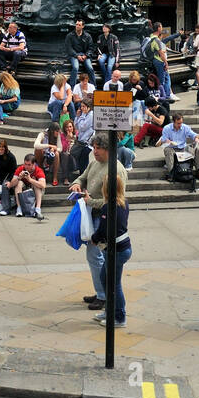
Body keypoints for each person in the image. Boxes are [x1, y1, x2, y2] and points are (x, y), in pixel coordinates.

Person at [68, 135, 128, 313]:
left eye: (98, 148)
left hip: (103, 219)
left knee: (96, 256)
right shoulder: (94, 163)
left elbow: (116, 201)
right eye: (93, 147)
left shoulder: (117, 169)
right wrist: (76, 184)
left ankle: (104, 296)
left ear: (108, 149)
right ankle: (100, 292)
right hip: (89, 214)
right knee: (94, 256)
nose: (94, 151)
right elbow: (83, 177)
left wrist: (90, 201)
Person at [85, 163, 130, 327]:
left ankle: (119, 317)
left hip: (117, 250)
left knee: (114, 283)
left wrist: (94, 238)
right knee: (105, 278)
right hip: (122, 247)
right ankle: (110, 310)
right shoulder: (123, 202)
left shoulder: (108, 207)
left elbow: (103, 230)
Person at [158, 112, 199, 181]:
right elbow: (163, 139)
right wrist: (167, 141)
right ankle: (171, 173)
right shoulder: (167, 128)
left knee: (197, 148)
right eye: (178, 123)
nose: (180, 125)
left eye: (181, 123)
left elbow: (194, 134)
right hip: (173, 149)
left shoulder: (185, 127)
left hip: (183, 148)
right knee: (167, 150)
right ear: (174, 122)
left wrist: (196, 138)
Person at [6, 153, 47, 218]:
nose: (26, 167)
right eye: (25, 164)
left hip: (34, 190)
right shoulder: (20, 169)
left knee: (37, 185)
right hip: (23, 190)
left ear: (34, 164)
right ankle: (19, 208)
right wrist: (19, 178)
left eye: (29, 165)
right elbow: (11, 184)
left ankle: (37, 209)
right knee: (18, 183)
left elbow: (43, 185)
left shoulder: (39, 170)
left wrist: (30, 179)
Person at [65, 19, 97, 84]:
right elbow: (69, 48)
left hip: (85, 55)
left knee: (90, 68)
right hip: (74, 55)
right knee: (75, 68)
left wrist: (86, 55)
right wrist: (77, 56)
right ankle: (72, 87)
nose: (77, 26)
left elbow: (91, 48)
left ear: (83, 26)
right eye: (76, 24)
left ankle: (94, 87)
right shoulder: (70, 36)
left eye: (79, 25)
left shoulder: (87, 36)